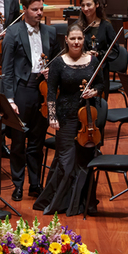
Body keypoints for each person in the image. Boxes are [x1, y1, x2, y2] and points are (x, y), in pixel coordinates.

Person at [33, 21, 105, 215]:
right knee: (66, 161)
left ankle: (82, 202)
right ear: (66, 40)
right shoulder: (58, 62)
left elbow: (101, 85)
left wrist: (94, 92)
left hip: (88, 118)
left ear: (84, 40)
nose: (76, 42)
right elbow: (50, 93)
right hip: (65, 117)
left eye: (79, 38)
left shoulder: (92, 61)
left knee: (85, 159)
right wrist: (52, 116)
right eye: (72, 38)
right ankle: (61, 203)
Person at [1, 0, 56, 201]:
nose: (39, 13)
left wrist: (52, 69)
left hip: (41, 91)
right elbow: (6, 70)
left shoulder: (49, 32)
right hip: (21, 91)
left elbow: (57, 60)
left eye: (41, 9)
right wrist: (10, 100)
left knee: (37, 141)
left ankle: (35, 184)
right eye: (35, 9)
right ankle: (17, 185)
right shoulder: (13, 32)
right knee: (18, 142)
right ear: (25, 9)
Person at [77, 0, 119, 97]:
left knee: (101, 106)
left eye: (89, 4)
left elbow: (115, 51)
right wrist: (84, 54)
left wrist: (99, 54)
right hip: (80, 71)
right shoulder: (77, 27)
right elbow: (70, 49)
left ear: (97, 4)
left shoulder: (106, 26)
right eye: (83, 5)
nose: (86, 8)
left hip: (101, 72)